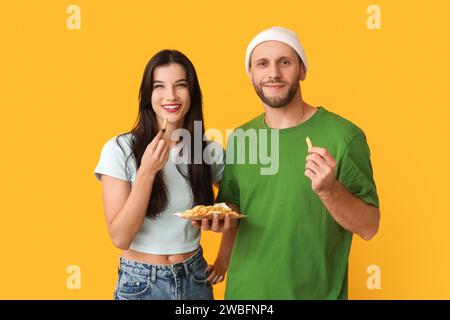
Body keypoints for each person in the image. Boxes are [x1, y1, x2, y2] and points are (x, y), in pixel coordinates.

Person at [203, 26, 380, 299]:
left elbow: (369, 227)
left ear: (302, 70)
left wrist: (329, 190)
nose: (273, 72)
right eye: (262, 64)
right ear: (251, 75)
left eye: (284, 62)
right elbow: (235, 207)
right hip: (244, 296)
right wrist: (218, 216)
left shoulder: (344, 137)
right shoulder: (241, 138)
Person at [94, 49, 228, 300]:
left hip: (195, 278)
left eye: (181, 85)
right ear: (147, 95)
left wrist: (223, 259)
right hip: (140, 283)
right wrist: (146, 171)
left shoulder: (208, 151)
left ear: (193, 94)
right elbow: (120, 237)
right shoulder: (119, 149)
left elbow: (236, 204)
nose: (171, 96)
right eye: (159, 86)